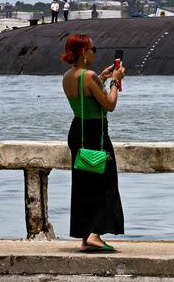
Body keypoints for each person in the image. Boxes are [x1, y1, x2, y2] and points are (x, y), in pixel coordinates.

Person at [61, 34, 126, 252]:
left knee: (83, 186)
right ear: (83, 52)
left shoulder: (69, 76)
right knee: (105, 185)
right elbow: (109, 104)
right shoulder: (88, 76)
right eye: (92, 48)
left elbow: (85, 95)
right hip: (95, 134)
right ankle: (95, 235)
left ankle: (85, 235)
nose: (93, 52)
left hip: (77, 132)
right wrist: (116, 81)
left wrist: (103, 78)